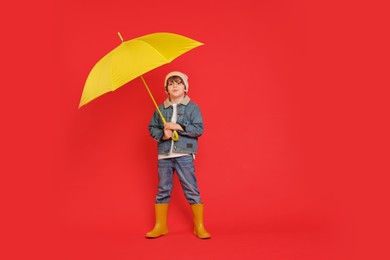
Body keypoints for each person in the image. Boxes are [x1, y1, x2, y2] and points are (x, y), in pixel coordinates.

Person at [146, 71, 211, 239]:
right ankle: (161, 226)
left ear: (185, 88)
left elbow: (199, 129)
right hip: (164, 156)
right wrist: (163, 134)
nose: (174, 86)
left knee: (191, 188)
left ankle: (199, 226)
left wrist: (178, 127)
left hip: (184, 153)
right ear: (166, 88)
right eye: (171, 83)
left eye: (178, 83)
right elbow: (152, 128)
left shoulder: (192, 107)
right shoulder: (160, 109)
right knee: (163, 189)